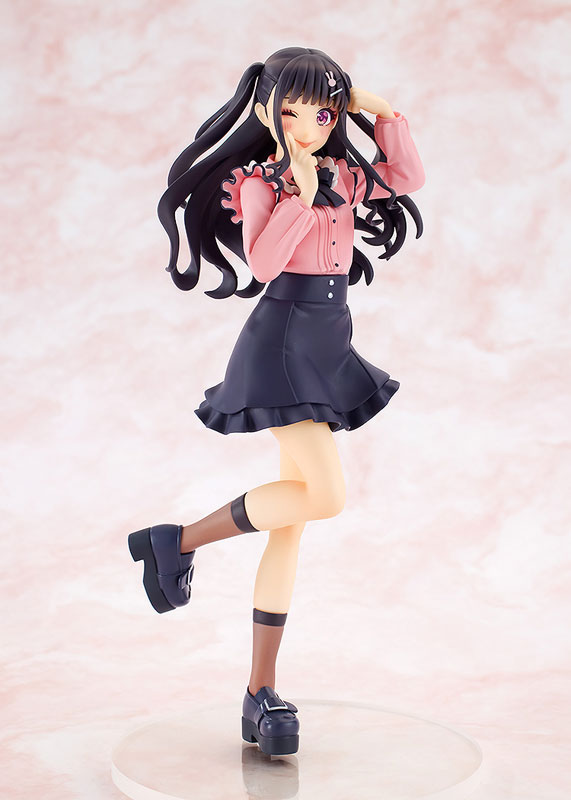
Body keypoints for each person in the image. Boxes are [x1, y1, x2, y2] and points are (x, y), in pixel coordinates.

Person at [128, 46, 425, 756]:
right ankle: (178, 540)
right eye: (291, 112)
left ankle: (259, 692)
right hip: (282, 342)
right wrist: (298, 194)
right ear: (267, 111)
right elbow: (263, 264)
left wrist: (385, 113)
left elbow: (406, 177)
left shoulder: (346, 175)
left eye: (322, 112)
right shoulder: (260, 181)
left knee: (291, 521)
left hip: (328, 340)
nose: (307, 126)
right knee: (325, 496)